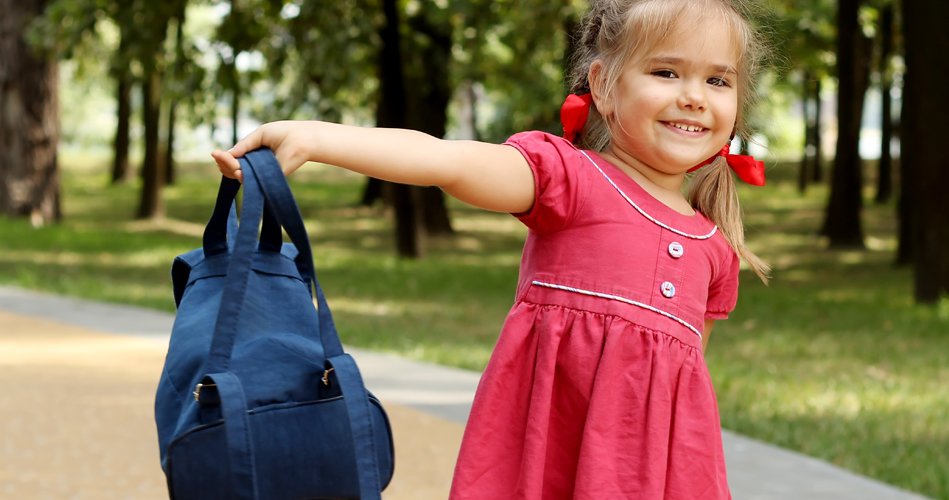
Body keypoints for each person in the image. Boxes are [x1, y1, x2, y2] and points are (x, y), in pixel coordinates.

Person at [212, 0, 771, 497]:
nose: (694, 97)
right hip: (546, 457)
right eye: (666, 71)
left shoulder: (714, 250)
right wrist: (316, 138)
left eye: (718, 81)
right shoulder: (565, 178)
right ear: (603, 86)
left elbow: (679, 386)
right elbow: (445, 160)